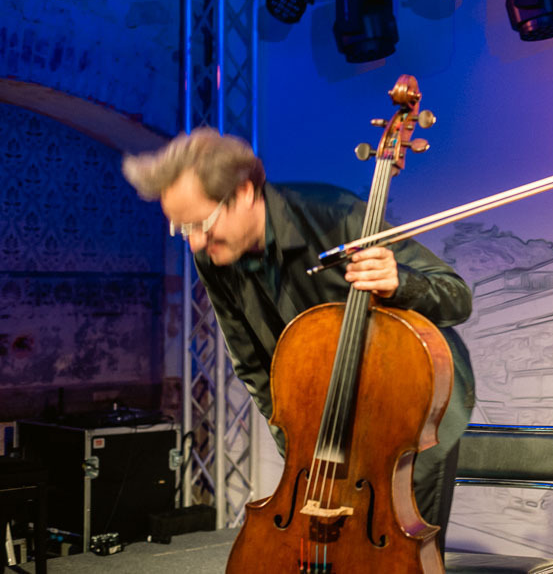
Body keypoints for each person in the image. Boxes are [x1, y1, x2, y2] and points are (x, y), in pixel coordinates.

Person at [122, 126, 474, 549]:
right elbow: (252, 363)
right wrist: (298, 450)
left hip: (407, 415)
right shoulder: (213, 256)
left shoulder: (336, 215)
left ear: (246, 191)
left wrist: (401, 283)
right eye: (182, 228)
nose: (195, 240)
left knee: (397, 553)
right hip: (325, 421)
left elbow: (457, 297)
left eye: (202, 222)